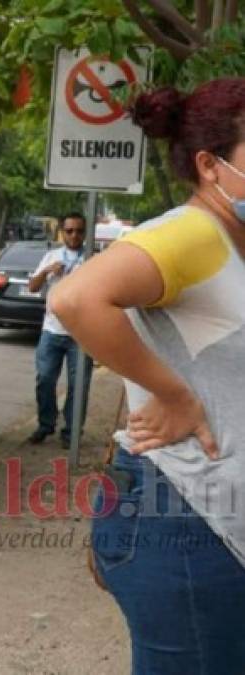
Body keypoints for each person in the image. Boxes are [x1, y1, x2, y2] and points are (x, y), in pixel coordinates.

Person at [50, 78, 245, 674]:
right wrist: (172, 394)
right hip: (186, 521)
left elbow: (153, 336)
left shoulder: (231, 244)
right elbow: (77, 299)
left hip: (203, 518)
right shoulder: (193, 233)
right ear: (210, 166)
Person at [26, 213, 93, 449]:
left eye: (79, 231)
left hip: (82, 334)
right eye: (69, 231)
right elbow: (33, 287)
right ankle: (45, 424)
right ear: (62, 232)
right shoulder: (51, 256)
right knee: (44, 379)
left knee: (79, 386)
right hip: (52, 331)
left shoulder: (92, 258)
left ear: (85, 233)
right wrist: (46, 273)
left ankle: (71, 432)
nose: (74, 235)